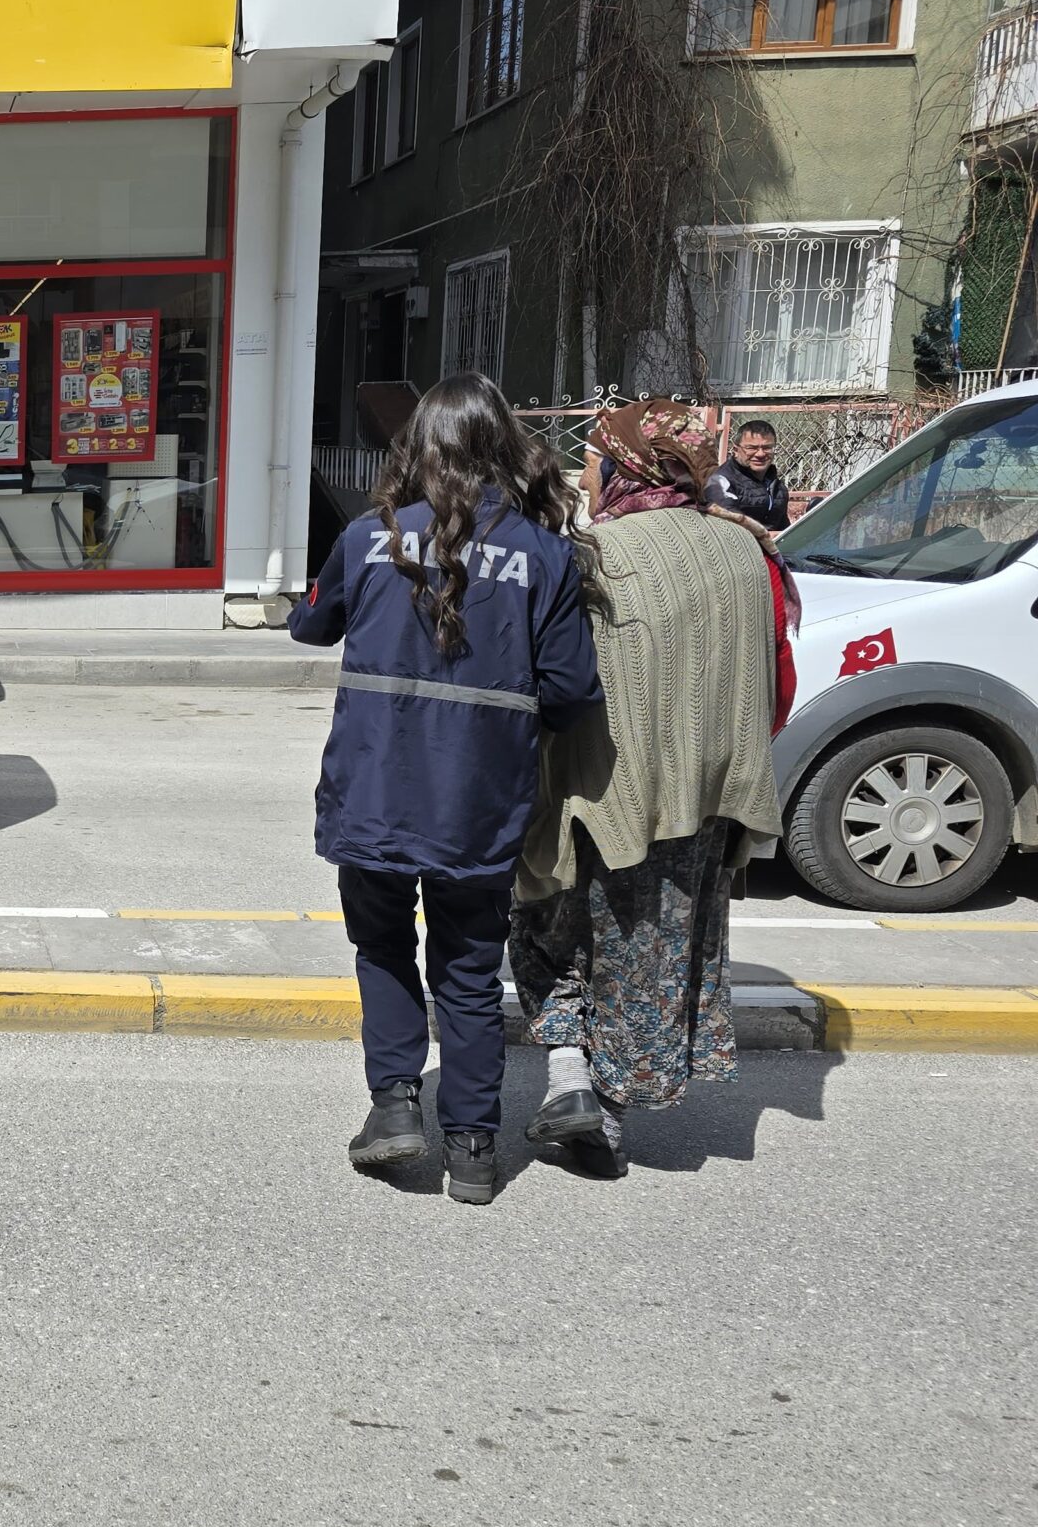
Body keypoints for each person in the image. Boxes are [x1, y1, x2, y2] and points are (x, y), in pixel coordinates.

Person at [291, 374, 603, 1205]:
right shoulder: (544, 553)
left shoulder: (367, 538)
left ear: (417, 449)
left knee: (384, 948)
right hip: (480, 801)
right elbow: (572, 691)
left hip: (374, 794)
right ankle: (472, 1150)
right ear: (505, 445)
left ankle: (395, 1106)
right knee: (467, 973)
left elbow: (308, 624)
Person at [511, 399, 796, 1178]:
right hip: (707, 794)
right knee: (656, 948)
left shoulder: (591, 554)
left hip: (595, 792)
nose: (588, 472)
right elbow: (778, 684)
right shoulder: (750, 551)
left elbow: (550, 677)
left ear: (624, 462)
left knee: (551, 928)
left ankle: (572, 1079)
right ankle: (604, 1112)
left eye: (596, 457)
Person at [704, 417, 791, 535]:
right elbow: (729, 528)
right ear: (735, 450)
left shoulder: (778, 488)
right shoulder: (719, 482)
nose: (760, 454)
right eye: (751, 448)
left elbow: (784, 529)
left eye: (767, 448)